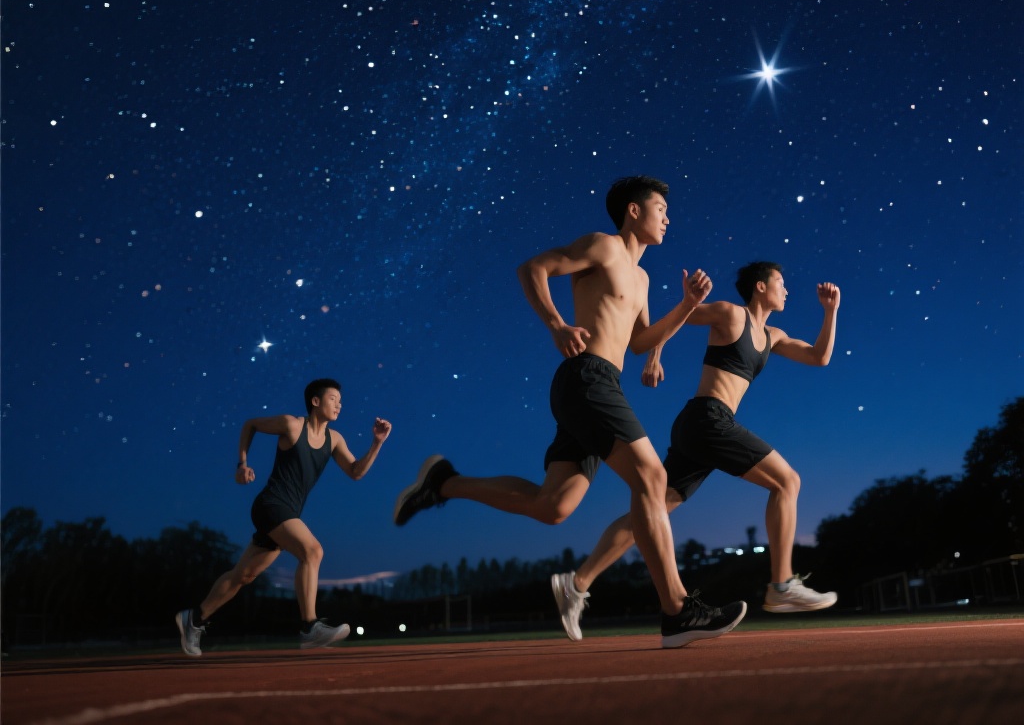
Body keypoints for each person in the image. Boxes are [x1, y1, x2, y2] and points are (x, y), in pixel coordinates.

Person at [393, 176, 746, 649]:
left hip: (602, 386)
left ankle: (443, 483)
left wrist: (685, 306)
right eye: (660, 206)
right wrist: (557, 324)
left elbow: (639, 342)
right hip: (585, 379)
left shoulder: (641, 279)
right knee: (652, 478)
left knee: (553, 506)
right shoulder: (602, 247)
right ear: (633, 212)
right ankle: (678, 610)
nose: (668, 216)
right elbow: (532, 268)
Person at [550, 262, 840, 641]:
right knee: (787, 481)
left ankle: (578, 582)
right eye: (781, 283)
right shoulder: (729, 313)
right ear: (759, 287)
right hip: (709, 420)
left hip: (699, 429)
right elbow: (677, 318)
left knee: (654, 506)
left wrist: (830, 311)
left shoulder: (773, 335)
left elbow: (819, 357)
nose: (787, 290)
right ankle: (781, 585)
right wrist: (654, 356)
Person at [175, 378, 392, 656]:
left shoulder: (334, 439)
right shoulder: (291, 425)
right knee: (312, 551)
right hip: (271, 505)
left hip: (286, 513)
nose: (339, 404)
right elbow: (250, 424)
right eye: (333, 398)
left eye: (340, 400)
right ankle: (309, 627)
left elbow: (356, 472)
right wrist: (242, 464)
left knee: (244, 575)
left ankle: (193, 620)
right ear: (315, 401)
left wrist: (376, 443)